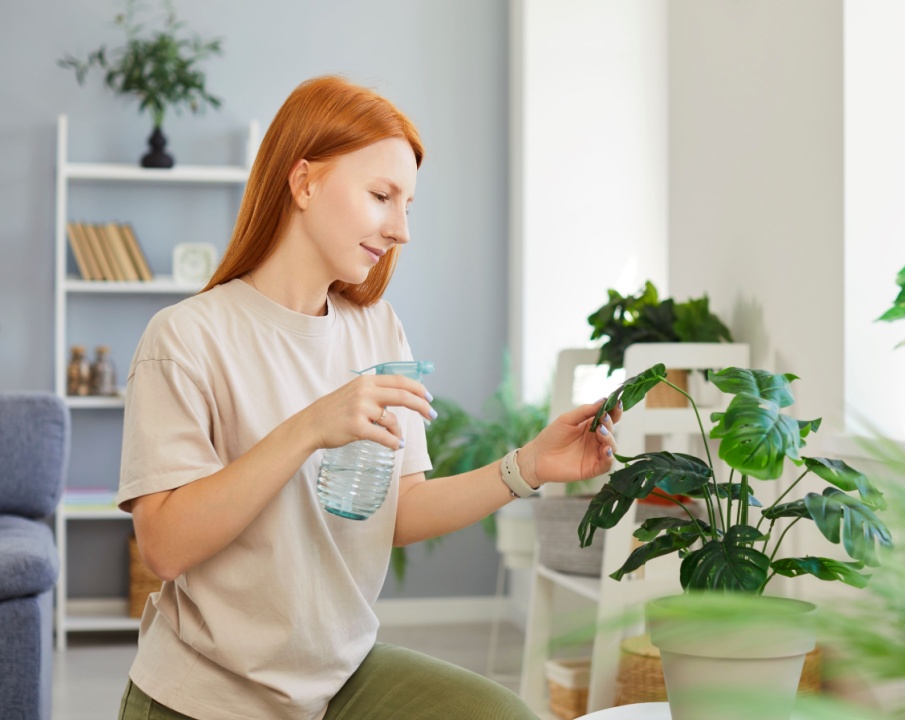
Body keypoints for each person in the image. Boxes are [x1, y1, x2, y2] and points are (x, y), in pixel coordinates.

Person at [115, 75, 620, 720]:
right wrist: (308, 428)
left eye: (407, 204)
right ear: (303, 183)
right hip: (206, 696)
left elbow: (400, 510)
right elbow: (163, 546)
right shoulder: (186, 337)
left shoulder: (378, 328)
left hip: (338, 678)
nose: (401, 229)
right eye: (382, 195)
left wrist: (529, 468)